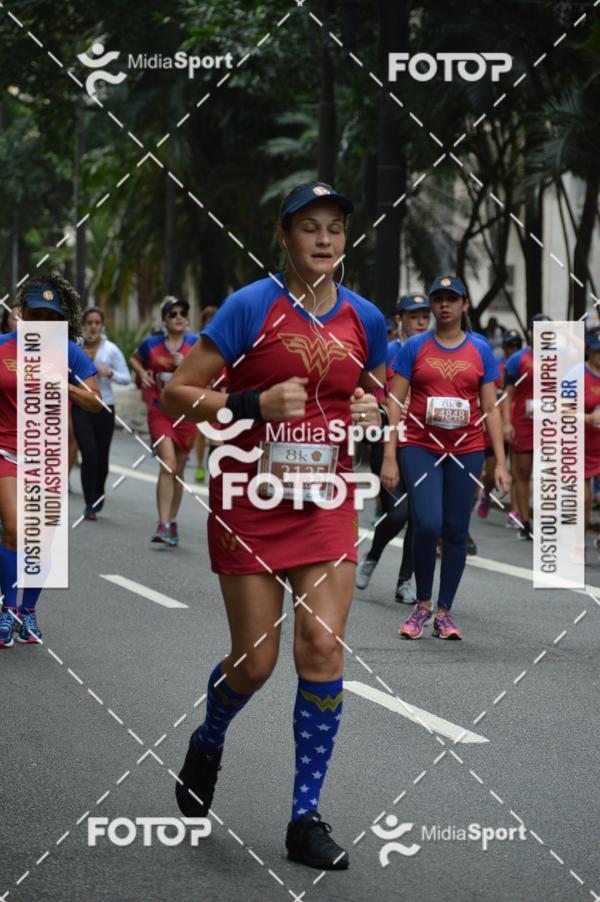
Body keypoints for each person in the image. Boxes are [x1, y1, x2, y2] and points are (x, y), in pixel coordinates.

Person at [161, 181, 387, 870]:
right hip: (249, 499)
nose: (324, 239)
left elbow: (375, 395)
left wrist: (376, 417)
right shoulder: (249, 307)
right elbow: (179, 392)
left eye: (336, 228)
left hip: (325, 501)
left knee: (321, 646)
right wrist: (254, 402)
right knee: (255, 664)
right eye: (309, 227)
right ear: (285, 237)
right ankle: (209, 738)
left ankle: (304, 819)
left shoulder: (365, 318)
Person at [381, 275, 510, 641]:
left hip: (466, 451)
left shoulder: (480, 349)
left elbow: (490, 408)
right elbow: (394, 404)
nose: (444, 305)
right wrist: (389, 455)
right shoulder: (415, 347)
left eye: (452, 299)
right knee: (427, 524)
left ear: (465, 306)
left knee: (455, 529)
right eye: (438, 299)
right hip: (420, 447)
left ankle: (444, 612)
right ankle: (422, 604)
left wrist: (499, 462)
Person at [0, 275, 100, 648]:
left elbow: (95, 400)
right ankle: (8, 611)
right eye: (35, 314)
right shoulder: (2, 348)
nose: (42, 323)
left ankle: (28, 612)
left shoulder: (69, 354)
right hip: (6, 451)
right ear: (22, 314)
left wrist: (66, 385)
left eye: (50, 317)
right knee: (13, 528)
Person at [356, 293, 431, 603]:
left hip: (422, 443)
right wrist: (378, 408)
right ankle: (372, 556)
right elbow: (370, 393)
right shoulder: (388, 352)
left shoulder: (434, 353)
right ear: (400, 319)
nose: (422, 321)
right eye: (414, 316)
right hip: (387, 441)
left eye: (425, 315)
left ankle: (405, 581)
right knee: (397, 514)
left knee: (419, 517)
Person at [129, 297, 198, 545]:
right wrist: (142, 372)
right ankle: (163, 522)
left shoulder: (197, 344)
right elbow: (134, 358)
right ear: (165, 320)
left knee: (178, 470)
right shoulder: (152, 344)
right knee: (167, 463)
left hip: (188, 413)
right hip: (160, 409)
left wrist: (188, 365)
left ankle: (172, 522)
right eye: (173, 314)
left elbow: (211, 372)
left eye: (182, 313)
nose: (178, 317)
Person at [72, 307, 131, 520]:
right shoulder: (75, 347)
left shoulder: (111, 350)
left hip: (105, 406)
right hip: (81, 406)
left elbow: (127, 378)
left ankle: (99, 494)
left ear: (102, 325)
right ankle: (90, 503)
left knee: (102, 458)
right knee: (88, 454)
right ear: (82, 326)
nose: (93, 327)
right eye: (88, 323)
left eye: (97, 322)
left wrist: (109, 373)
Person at [502, 314, 551, 540]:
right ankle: (525, 523)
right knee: (522, 474)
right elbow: (507, 395)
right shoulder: (518, 360)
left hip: (550, 425)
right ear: (529, 331)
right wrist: (506, 422)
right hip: (522, 424)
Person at [476, 328, 522, 523]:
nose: (513, 349)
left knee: (517, 470)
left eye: (516, 345)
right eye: (509, 345)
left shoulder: (523, 366)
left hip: (514, 423)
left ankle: (516, 513)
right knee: (492, 469)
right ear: (502, 347)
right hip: (491, 426)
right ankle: (486, 491)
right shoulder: (494, 367)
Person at [194, 305, 218, 482]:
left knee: (217, 433)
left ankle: (214, 469)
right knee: (201, 431)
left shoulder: (225, 339)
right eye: (207, 321)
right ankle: (200, 465)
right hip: (202, 392)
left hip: (220, 393)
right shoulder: (198, 341)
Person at [583, 331, 600, 552]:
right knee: (583, 500)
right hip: (582, 446)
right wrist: (587, 418)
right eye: (597, 349)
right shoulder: (577, 375)